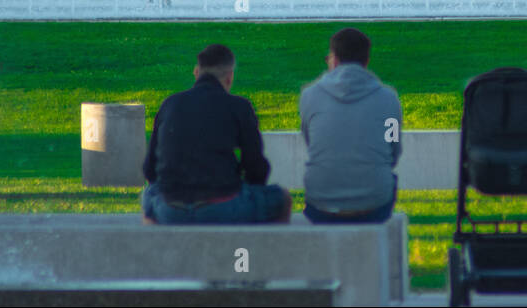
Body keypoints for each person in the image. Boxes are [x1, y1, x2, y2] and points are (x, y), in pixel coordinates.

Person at [141, 44, 290, 224]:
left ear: (196, 72)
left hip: (171, 208)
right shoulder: (239, 107)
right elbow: (256, 167)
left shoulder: (170, 104)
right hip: (223, 206)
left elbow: (150, 169)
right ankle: (251, 251)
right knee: (282, 198)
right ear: (229, 78)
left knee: (150, 194)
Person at [298, 28, 401, 224]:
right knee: (389, 179)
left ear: (334, 60)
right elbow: (393, 150)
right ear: (366, 62)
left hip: (321, 204)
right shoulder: (389, 98)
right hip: (375, 205)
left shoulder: (309, 96)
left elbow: (311, 143)